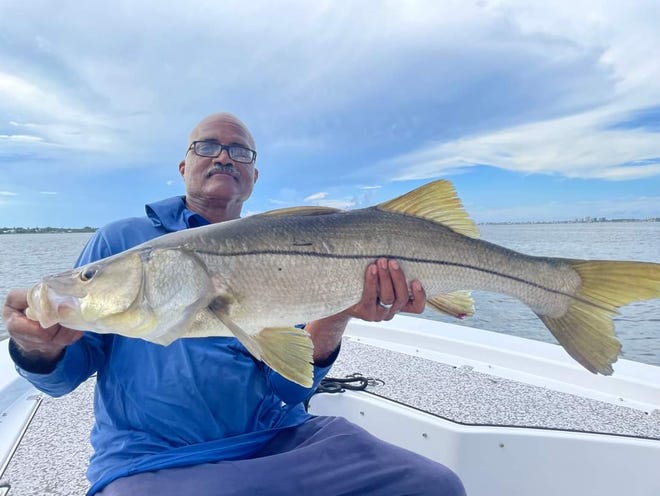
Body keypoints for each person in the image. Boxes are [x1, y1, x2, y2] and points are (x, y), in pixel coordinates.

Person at [3, 113, 466, 496]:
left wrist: (337, 313)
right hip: (153, 461)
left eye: (239, 151)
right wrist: (39, 348)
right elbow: (62, 379)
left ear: (253, 177)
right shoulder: (121, 241)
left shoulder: (292, 251)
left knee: (433, 485)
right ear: (183, 167)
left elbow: (290, 389)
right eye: (207, 146)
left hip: (281, 440)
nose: (224, 155)